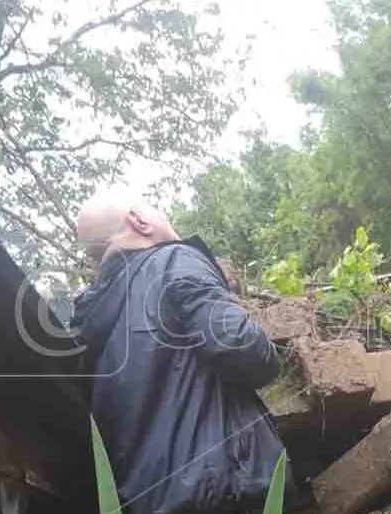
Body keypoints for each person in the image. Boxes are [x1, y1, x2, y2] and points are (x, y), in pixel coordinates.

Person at [70, 192, 287, 514]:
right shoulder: (172, 260)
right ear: (139, 221)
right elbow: (245, 349)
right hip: (224, 492)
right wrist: (271, 353)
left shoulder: (89, 323)